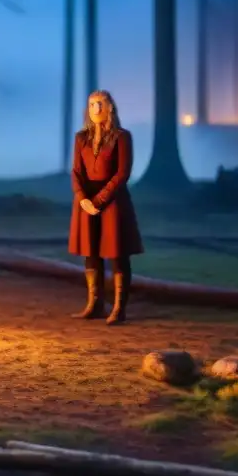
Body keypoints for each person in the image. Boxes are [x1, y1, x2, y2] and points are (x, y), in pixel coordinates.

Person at [68, 90, 144, 325]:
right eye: (92, 105)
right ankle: (95, 304)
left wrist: (99, 200)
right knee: (91, 251)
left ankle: (119, 308)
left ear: (110, 107)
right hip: (86, 201)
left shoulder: (122, 137)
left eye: (100, 104)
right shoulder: (81, 138)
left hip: (113, 201)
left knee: (116, 253)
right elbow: (76, 171)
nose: (96, 109)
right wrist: (82, 198)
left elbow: (122, 173)